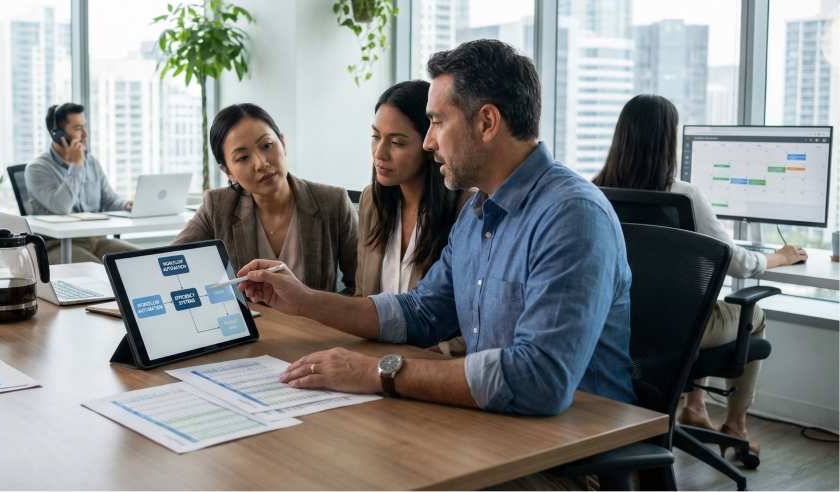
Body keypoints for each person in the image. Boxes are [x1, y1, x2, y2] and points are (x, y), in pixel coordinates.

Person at [237, 40, 636, 491]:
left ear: (487, 122)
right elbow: (420, 313)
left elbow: (538, 378)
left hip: (570, 462)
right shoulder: (478, 214)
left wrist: (377, 372)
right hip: (496, 433)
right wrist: (307, 301)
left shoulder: (571, 215)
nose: (429, 142)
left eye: (436, 123)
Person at [593, 94, 807, 458]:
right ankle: (735, 427)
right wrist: (778, 257)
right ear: (668, 140)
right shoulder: (684, 196)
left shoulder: (596, 190)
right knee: (752, 315)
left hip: (619, 324)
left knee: (695, 298)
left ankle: (694, 408)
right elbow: (736, 262)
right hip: (677, 327)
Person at [173, 103, 358, 293]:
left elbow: (362, 288)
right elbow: (168, 265)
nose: (261, 163)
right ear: (228, 172)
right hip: (251, 323)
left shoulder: (334, 202)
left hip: (314, 322)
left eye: (267, 145)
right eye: (243, 158)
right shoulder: (218, 206)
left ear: (283, 144)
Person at [356, 80, 475, 356]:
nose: (379, 153)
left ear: (430, 144)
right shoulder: (372, 201)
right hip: (372, 354)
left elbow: (481, 319)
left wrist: (445, 349)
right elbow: (363, 297)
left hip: (434, 366)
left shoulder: (467, 208)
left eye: (397, 142)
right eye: (376, 136)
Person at [25, 103, 140, 264]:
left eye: (85, 127)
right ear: (57, 134)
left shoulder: (91, 161)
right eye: (78, 128)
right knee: (101, 273)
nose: (85, 134)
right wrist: (76, 165)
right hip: (57, 245)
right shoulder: (37, 169)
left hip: (96, 240)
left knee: (145, 260)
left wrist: (127, 204)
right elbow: (61, 207)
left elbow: (108, 200)